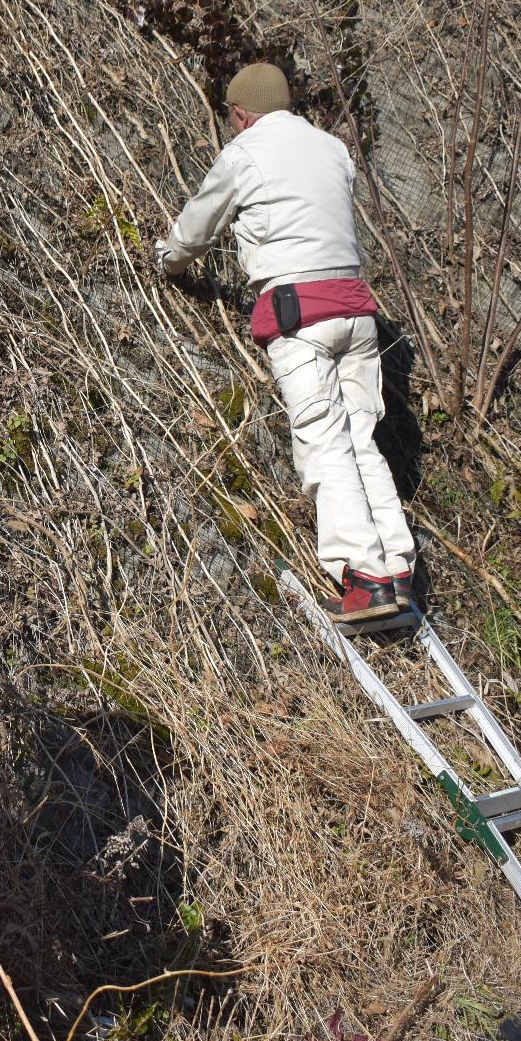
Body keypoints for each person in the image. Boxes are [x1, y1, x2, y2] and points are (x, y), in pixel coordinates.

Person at [154, 63, 415, 623]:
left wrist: (169, 261)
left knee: (324, 442)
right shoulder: (332, 149)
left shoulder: (246, 154)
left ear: (242, 114)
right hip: (357, 313)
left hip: (301, 316)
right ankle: (395, 567)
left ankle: (364, 578)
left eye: (231, 118)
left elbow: (197, 227)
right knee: (362, 438)